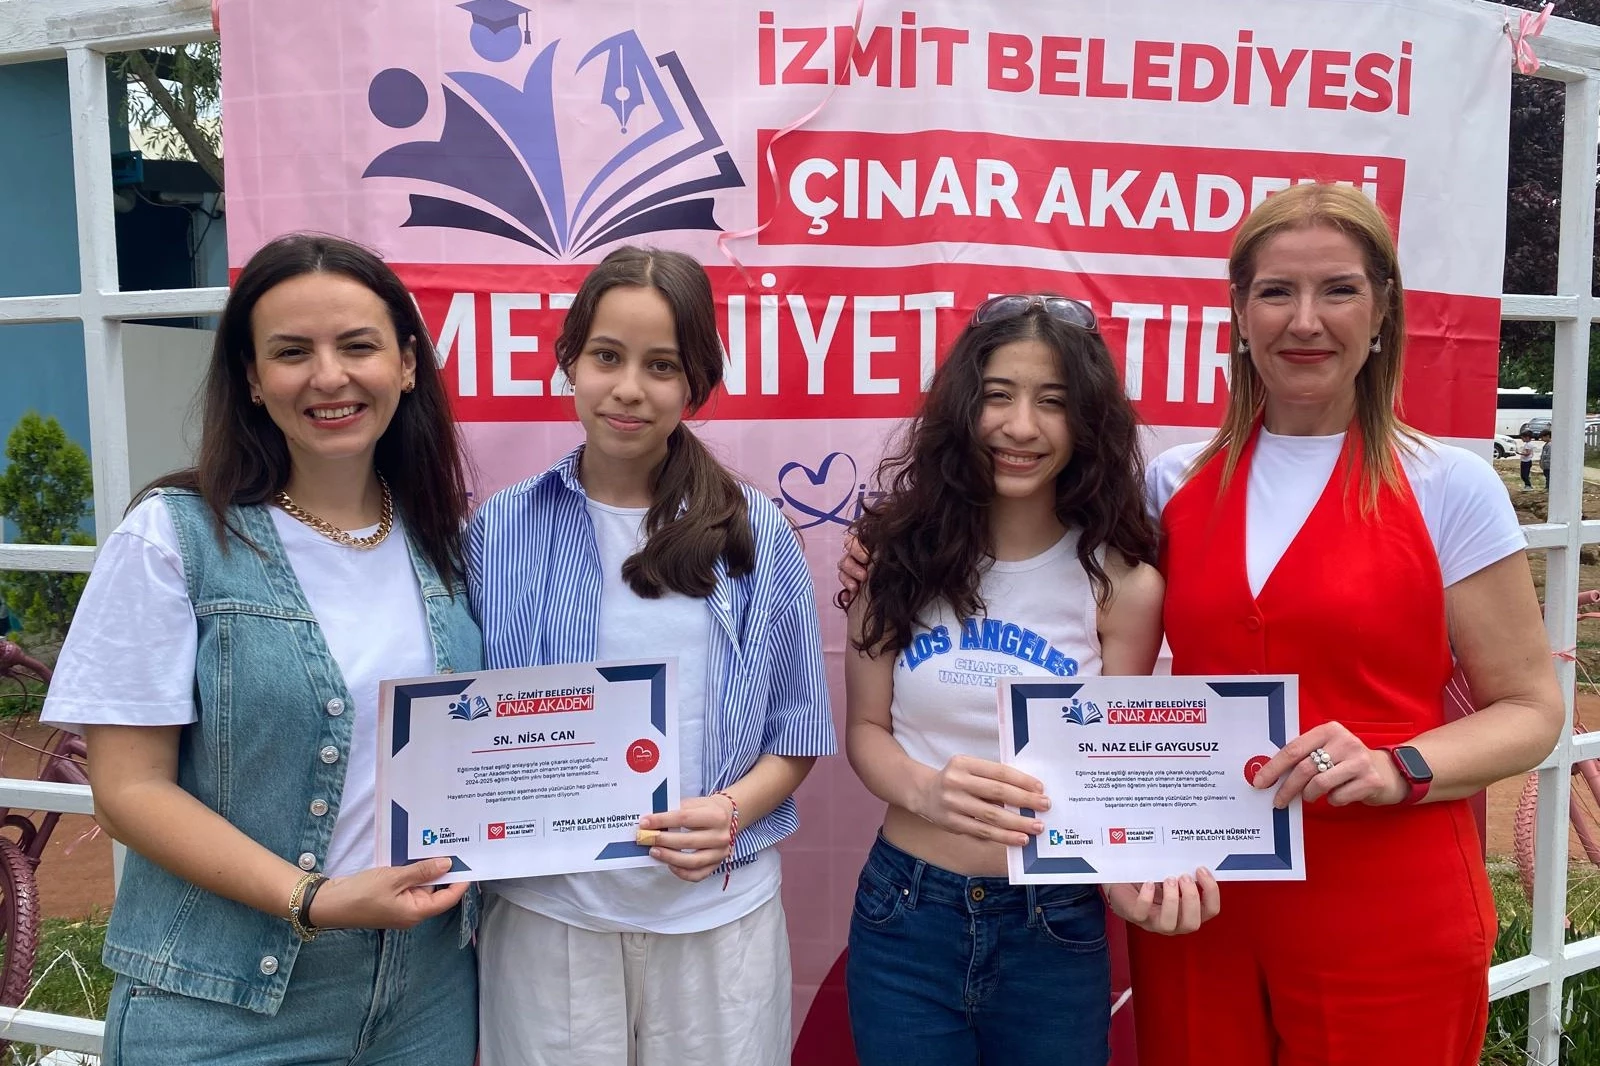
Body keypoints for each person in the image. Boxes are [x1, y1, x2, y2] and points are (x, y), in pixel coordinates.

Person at [1132, 182, 1562, 1064]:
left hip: (1389, 907)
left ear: (1381, 312)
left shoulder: (1449, 485)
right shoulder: (1172, 481)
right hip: (1203, 904)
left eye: (1338, 290)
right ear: (1239, 313)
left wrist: (1401, 765)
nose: (1305, 321)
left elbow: (1530, 707)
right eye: (1276, 292)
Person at [41, 233, 483, 1064]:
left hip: (425, 992)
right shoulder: (173, 539)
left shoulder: (449, 541)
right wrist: (315, 898)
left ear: (407, 364)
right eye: (291, 352)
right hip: (221, 1007)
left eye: (358, 346)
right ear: (250, 377)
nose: (329, 376)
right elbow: (127, 791)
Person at [468, 246, 835, 1066]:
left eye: (661, 366)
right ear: (570, 361)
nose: (629, 388)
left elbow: (798, 732)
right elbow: (468, 724)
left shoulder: (756, 534)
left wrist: (732, 810)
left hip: (716, 919)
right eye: (607, 356)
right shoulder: (500, 530)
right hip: (549, 919)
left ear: (694, 383)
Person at [839, 295, 1214, 1066]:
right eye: (998, 396)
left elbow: (1111, 777)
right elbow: (867, 731)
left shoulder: (1124, 586)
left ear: (1087, 423)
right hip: (907, 913)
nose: (1020, 427)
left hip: (1055, 927)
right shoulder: (895, 559)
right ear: (962, 408)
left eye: (1053, 402)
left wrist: (1130, 879)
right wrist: (925, 791)